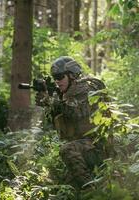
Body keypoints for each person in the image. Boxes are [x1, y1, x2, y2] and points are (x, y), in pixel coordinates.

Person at [35, 56, 106, 189]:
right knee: (66, 185)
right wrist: (47, 105)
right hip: (85, 147)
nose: (57, 81)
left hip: (99, 146)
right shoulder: (65, 95)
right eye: (54, 78)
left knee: (67, 150)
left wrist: (52, 101)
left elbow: (78, 113)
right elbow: (52, 125)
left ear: (72, 75)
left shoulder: (87, 90)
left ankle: (91, 190)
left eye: (60, 77)